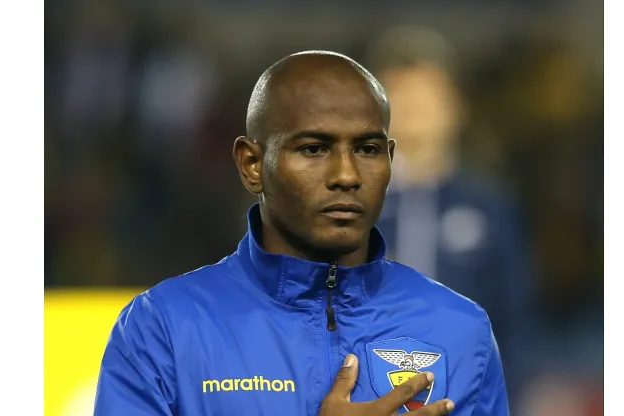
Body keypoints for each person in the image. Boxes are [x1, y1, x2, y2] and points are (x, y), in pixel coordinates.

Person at [94, 50, 509, 415]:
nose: (347, 175)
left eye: (367, 149)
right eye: (314, 149)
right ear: (252, 164)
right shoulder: (164, 328)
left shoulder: (461, 329)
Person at [363, 26, 536, 403]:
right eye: (402, 95)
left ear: (456, 105)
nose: (415, 108)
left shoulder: (489, 205)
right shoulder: (349, 203)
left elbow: (513, 319)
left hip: (465, 395)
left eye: (428, 94)